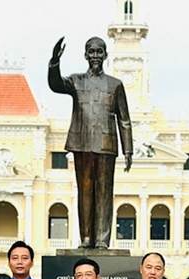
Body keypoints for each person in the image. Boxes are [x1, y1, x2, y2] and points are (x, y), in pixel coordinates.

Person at [48, 35, 132, 248]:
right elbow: (55, 84)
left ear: (105, 55)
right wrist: (54, 62)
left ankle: (103, 240)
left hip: (106, 145)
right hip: (82, 143)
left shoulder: (116, 85)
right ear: (86, 55)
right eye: (91, 51)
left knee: (104, 192)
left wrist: (128, 150)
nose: (95, 55)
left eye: (99, 51)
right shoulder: (76, 81)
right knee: (85, 191)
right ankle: (86, 239)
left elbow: (124, 119)